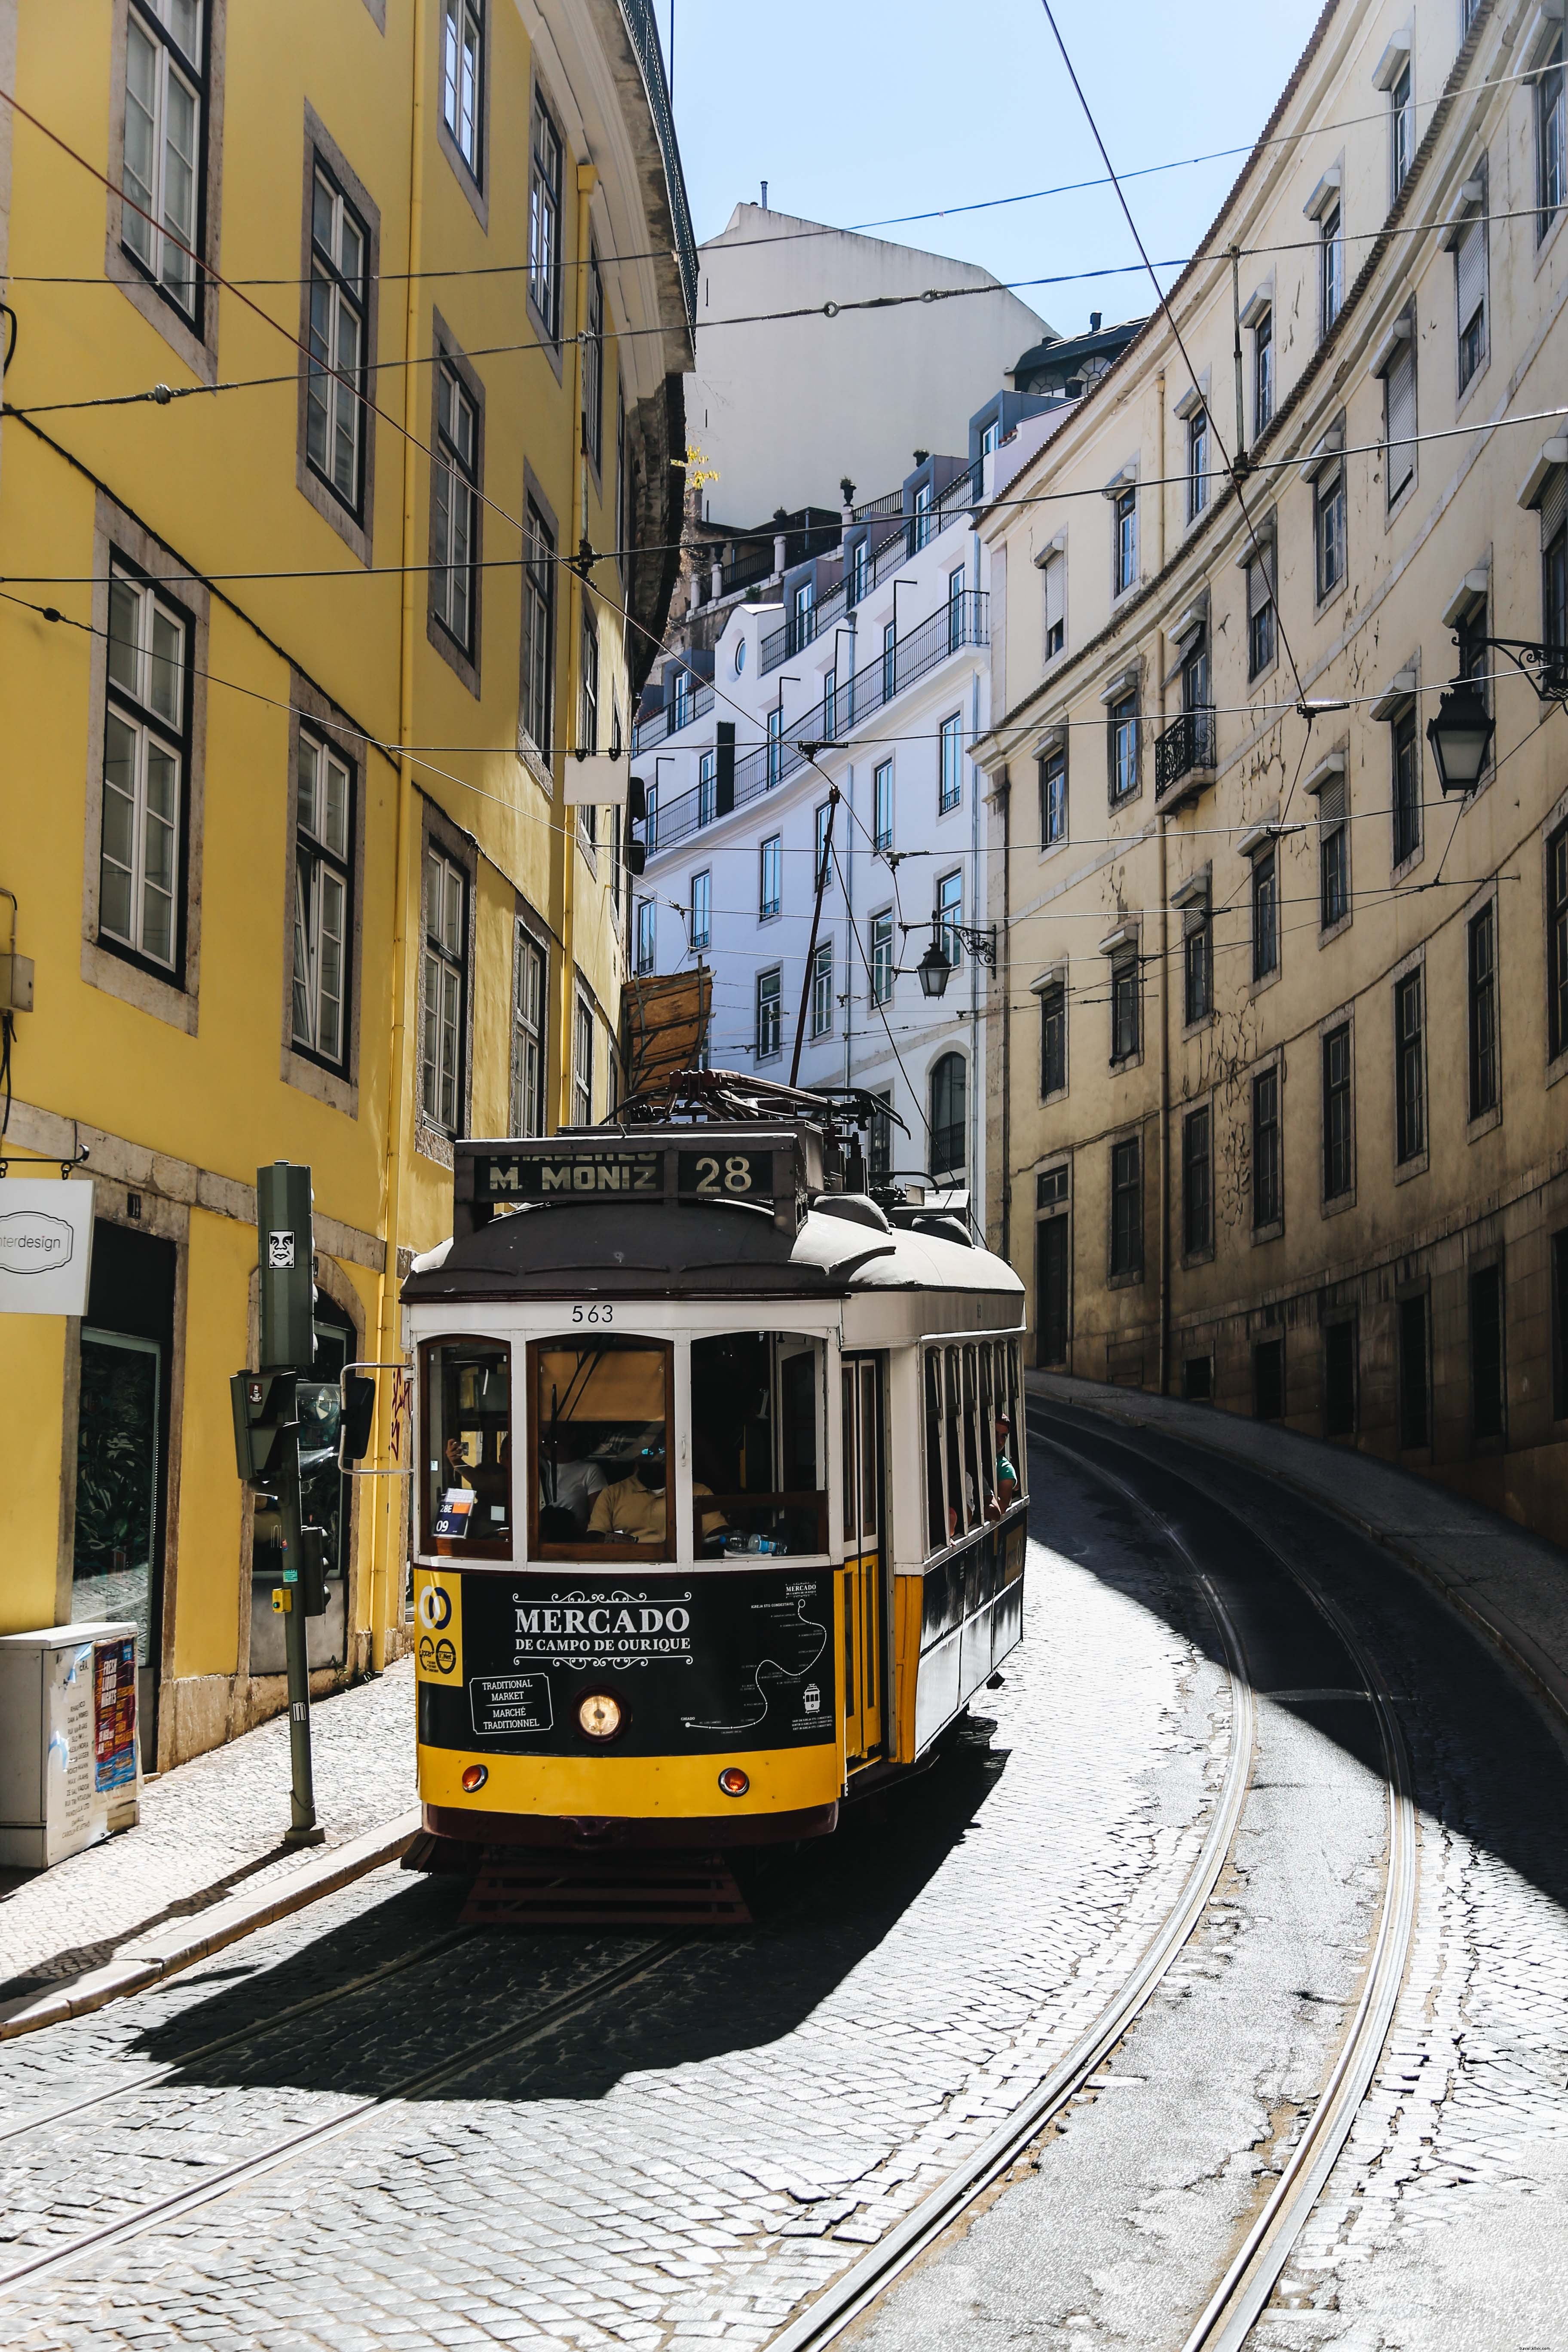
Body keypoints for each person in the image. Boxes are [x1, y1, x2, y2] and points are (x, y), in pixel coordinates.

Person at [588, 1441, 723, 1544]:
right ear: (637, 1456)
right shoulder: (612, 1494)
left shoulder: (698, 1492)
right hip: (627, 1570)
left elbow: (717, 1533)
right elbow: (595, 1537)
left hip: (681, 1569)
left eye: (662, 1451)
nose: (655, 1458)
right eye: (648, 1452)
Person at [992, 1412, 1019, 1516]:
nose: (999, 1441)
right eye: (995, 1434)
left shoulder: (1005, 1468)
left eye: (1003, 1437)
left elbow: (1002, 1508)